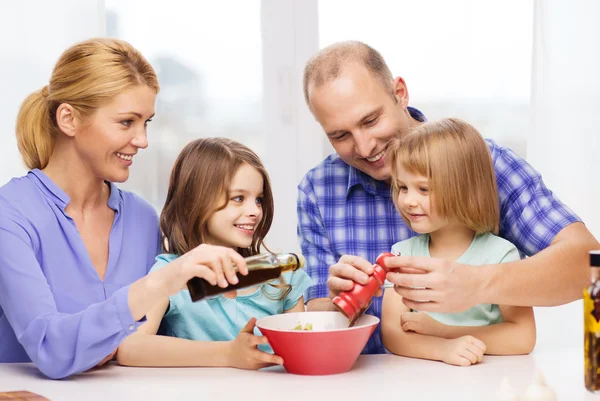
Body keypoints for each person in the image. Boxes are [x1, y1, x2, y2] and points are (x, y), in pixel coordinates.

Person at [298, 40, 598, 354]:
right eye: (340, 135)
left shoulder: (481, 162)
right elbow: (320, 325)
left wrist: (475, 284)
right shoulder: (318, 189)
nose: (363, 147)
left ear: (400, 93)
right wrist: (342, 305)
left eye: (371, 120)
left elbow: (587, 263)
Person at [0, 39, 245, 379]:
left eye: (147, 122)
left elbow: (153, 336)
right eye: (127, 122)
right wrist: (162, 281)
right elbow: (51, 349)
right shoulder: (10, 215)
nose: (142, 139)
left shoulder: (143, 219)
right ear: (68, 119)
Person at [116, 138, 312, 370]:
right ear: (195, 201)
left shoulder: (282, 278)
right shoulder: (173, 276)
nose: (254, 211)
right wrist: (228, 355)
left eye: (258, 200)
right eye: (238, 198)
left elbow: (303, 353)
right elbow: (130, 348)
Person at [381, 118, 536, 366]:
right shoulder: (403, 256)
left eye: (423, 189)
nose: (408, 201)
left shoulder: (500, 255)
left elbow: (523, 337)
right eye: (402, 187)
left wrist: (443, 332)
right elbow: (391, 334)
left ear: (464, 189)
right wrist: (443, 350)